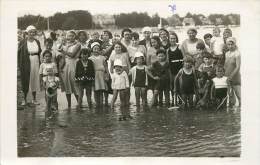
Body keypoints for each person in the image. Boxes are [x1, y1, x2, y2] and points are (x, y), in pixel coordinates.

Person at [18, 25, 42, 106]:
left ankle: (34, 99)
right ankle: (24, 99)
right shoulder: (23, 42)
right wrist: (20, 65)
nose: (32, 33)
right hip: (26, 62)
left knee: (34, 79)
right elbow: (19, 53)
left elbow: (40, 52)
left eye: (33, 32)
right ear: (27, 33)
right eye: (30, 32)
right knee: (25, 79)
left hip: (36, 61)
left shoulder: (37, 41)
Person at [59, 30, 81, 108]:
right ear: (66, 36)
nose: (70, 37)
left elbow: (72, 55)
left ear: (75, 36)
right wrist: (60, 67)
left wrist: (63, 51)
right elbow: (62, 56)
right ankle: (69, 105)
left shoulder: (78, 44)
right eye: (68, 36)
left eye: (72, 35)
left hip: (74, 64)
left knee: (75, 84)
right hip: (66, 65)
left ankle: (79, 103)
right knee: (67, 84)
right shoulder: (65, 45)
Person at [89, 42, 110, 107]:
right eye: (95, 49)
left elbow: (106, 66)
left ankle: (104, 102)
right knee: (96, 89)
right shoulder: (90, 58)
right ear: (92, 50)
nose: (96, 50)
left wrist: (107, 74)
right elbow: (90, 69)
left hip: (102, 74)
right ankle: (97, 103)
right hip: (95, 75)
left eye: (98, 49)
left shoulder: (103, 57)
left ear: (100, 50)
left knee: (104, 89)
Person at [167, 32, 183, 106]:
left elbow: (184, 58)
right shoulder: (168, 50)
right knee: (172, 86)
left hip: (180, 70)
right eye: (171, 38)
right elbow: (168, 62)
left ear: (176, 39)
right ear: (169, 39)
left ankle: (181, 101)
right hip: (172, 70)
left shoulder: (179, 47)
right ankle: (174, 100)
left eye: (174, 38)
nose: (172, 40)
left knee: (180, 86)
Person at [224, 37, 241, 107]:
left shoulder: (237, 53)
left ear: (234, 44)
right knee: (230, 96)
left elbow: (238, 67)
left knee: (239, 95)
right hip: (227, 75)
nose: (230, 46)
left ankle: (240, 111)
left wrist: (231, 76)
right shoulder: (227, 53)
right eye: (228, 44)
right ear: (227, 45)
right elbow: (225, 65)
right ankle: (232, 115)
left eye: (232, 44)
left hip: (235, 76)